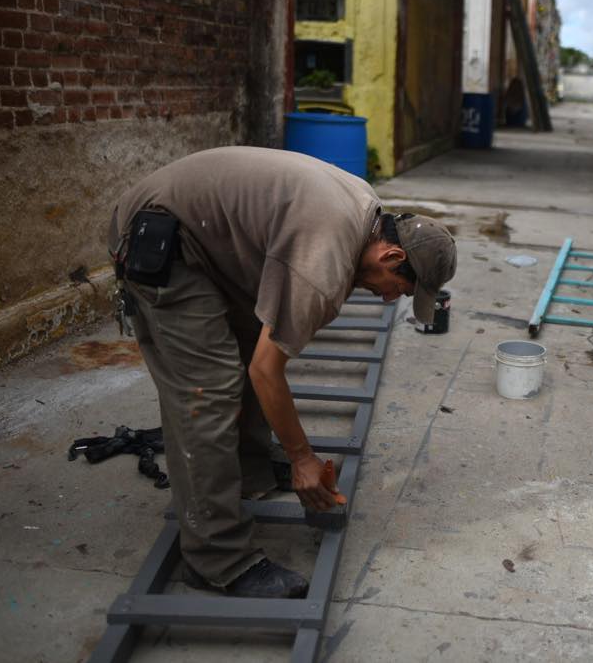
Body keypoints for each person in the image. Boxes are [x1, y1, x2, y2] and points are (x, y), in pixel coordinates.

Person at [107, 146, 457, 599]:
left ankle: (248, 467)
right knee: (208, 390)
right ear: (390, 256)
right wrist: (302, 458)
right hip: (160, 239)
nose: (390, 300)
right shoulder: (324, 263)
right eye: (401, 289)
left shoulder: (364, 209)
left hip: (201, 236)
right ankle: (217, 559)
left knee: (252, 332)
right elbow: (266, 372)